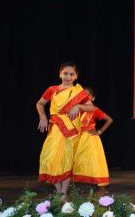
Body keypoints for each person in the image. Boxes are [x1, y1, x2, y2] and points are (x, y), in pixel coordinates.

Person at [36, 61, 93, 200]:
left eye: (71, 74)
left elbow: (91, 108)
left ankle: (63, 193)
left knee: (66, 159)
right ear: (59, 74)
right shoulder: (52, 90)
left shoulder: (79, 92)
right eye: (65, 73)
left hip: (71, 130)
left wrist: (79, 106)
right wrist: (42, 116)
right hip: (55, 128)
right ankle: (58, 190)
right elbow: (40, 103)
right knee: (51, 158)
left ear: (76, 76)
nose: (68, 77)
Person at [72, 88, 113, 189]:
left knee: (94, 161)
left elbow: (109, 120)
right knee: (78, 160)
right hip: (78, 138)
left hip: (91, 138)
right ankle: (76, 181)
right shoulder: (77, 109)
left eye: (88, 95)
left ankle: (100, 183)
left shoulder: (94, 109)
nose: (85, 97)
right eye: (83, 95)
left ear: (93, 98)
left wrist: (99, 131)